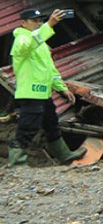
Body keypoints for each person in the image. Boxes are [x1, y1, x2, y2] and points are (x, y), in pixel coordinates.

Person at [7, 9, 86, 167]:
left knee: (52, 124)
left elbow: (50, 69)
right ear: (23, 23)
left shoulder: (40, 43)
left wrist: (62, 88)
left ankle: (64, 155)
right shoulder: (21, 38)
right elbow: (27, 46)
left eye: (40, 20)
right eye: (34, 20)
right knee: (28, 128)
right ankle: (16, 164)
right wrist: (49, 25)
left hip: (43, 94)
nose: (38, 23)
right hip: (30, 94)